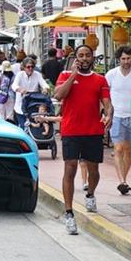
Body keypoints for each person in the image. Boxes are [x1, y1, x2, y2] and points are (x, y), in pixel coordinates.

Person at [52, 44, 112, 234]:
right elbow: (58, 95)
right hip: (71, 130)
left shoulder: (100, 79)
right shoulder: (65, 75)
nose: (84, 58)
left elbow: (107, 103)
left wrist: (109, 115)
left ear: (92, 58)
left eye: (88, 55)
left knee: (93, 170)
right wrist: (73, 75)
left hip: (93, 131)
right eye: (81, 55)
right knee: (70, 168)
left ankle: (90, 194)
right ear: (75, 58)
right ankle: (69, 213)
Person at [104, 46, 131, 196]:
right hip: (116, 115)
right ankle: (122, 181)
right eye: (123, 59)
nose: (126, 61)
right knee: (118, 148)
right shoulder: (111, 74)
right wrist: (106, 112)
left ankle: (124, 179)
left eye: (128, 58)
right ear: (118, 59)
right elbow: (105, 95)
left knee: (128, 150)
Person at [12, 56, 46, 125]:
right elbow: (14, 85)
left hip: (32, 105)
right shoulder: (20, 74)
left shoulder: (37, 74)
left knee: (33, 125)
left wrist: (45, 89)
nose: (30, 69)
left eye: (32, 67)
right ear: (24, 67)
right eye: (28, 67)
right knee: (23, 126)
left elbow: (44, 84)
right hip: (20, 105)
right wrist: (20, 89)